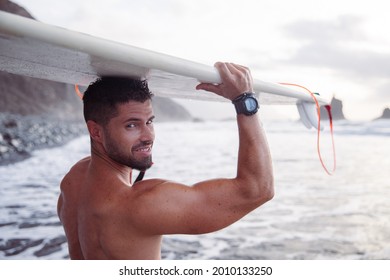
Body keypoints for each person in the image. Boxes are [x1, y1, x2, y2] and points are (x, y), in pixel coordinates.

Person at [57, 62, 274, 260]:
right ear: (96, 131)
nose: (148, 136)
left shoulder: (72, 183)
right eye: (131, 125)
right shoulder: (140, 205)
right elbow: (257, 189)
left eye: (149, 121)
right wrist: (244, 100)